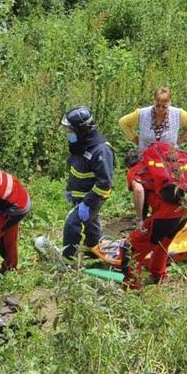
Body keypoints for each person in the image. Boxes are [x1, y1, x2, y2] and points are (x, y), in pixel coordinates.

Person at [120, 142, 187, 290]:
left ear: (129, 164)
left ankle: (132, 288)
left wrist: (140, 219)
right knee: (162, 243)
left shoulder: (136, 171)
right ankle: (158, 276)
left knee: (130, 249)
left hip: (166, 216)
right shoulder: (158, 168)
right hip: (183, 212)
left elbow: (139, 191)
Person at [61, 106, 115, 259]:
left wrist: (87, 203)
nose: (68, 133)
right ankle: (94, 250)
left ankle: (68, 259)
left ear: (81, 129)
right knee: (91, 225)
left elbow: (104, 184)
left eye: (70, 129)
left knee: (72, 223)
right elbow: (75, 168)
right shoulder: (78, 144)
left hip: (92, 198)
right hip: (79, 195)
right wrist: (69, 189)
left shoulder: (101, 150)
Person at [118, 87, 187, 150]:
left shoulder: (178, 114)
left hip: (169, 159)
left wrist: (179, 140)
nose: (160, 109)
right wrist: (136, 140)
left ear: (170, 103)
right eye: (157, 105)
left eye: (164, 106)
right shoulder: (141, 113)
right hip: (145, 157)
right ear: (154, 101)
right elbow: (123, 122)